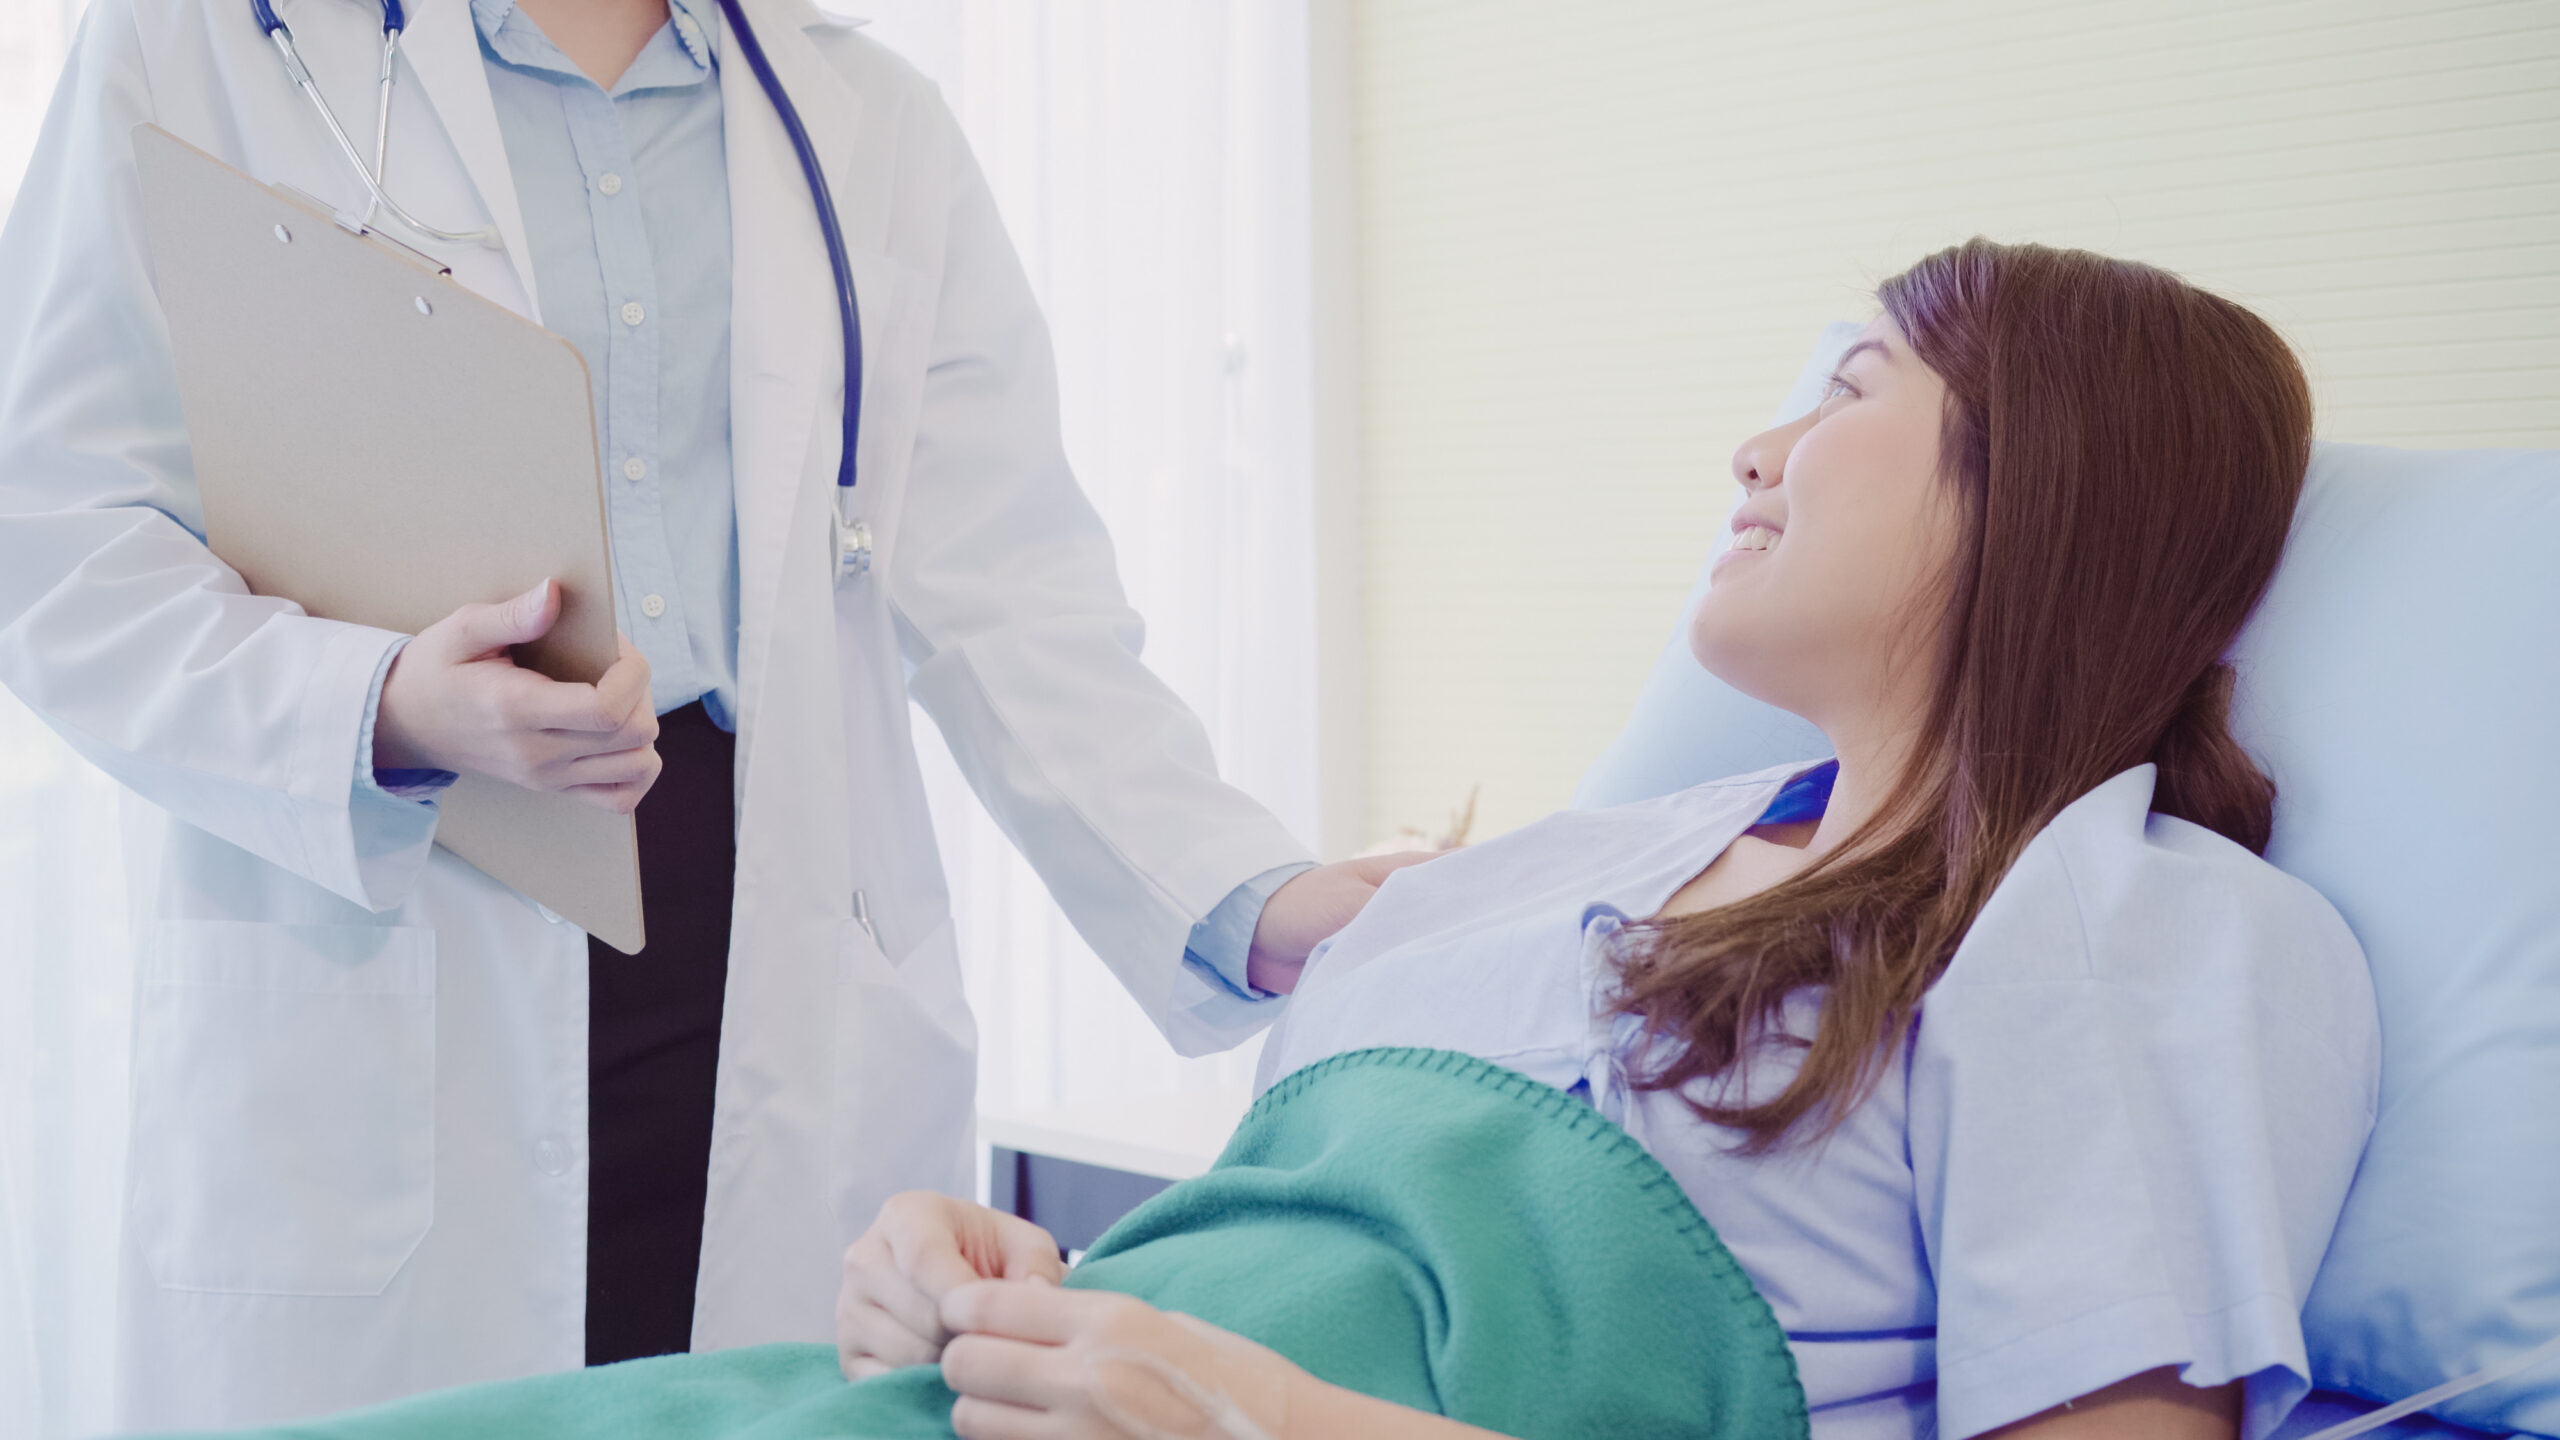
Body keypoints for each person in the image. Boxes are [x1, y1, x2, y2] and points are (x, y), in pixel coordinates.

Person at [0, 0, 1417, 1431]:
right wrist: (378, 707)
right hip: (402, 909)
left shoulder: (866, 123)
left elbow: (1011, 587)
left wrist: (1245, 895)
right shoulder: (202, 46)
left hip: (773, 958)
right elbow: (53, 527)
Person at [824, 240, 2381, 1440]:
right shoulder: (1568, 862)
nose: (1756, 452)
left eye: (1847, 390)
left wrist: (1279, 1419)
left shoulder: (2115, 915)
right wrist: (991, 1297)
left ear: (2043, 481)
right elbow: (1258, 1273)